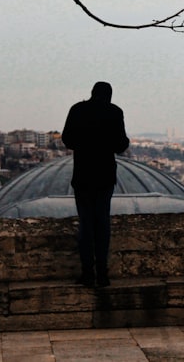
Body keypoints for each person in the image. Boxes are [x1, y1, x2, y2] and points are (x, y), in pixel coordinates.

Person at [61, 81, 129, 288]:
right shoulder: (114, 112)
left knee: (86, 224)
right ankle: (103, 273)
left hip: (83, 175)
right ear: (109, 95)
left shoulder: (78, 110)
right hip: (104, 176)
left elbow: (67, 139)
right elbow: (120, 145)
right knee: (102, 224)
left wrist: (85, 143)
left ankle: (87, 273)